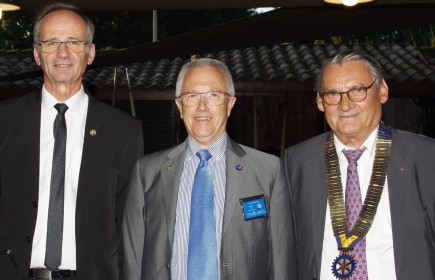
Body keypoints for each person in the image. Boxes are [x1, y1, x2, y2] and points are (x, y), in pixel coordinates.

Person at [0, 3, 143, 280]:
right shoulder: (4, 121)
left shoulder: (124, 131)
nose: (62, 52)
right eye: (51, 42)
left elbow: (131, 225)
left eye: (73, 42)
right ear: (37, 54)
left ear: (90, 53)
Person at [122, 58, 296, 280]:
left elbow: (281, 262)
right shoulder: (146, 172)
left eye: (213, 95)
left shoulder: (268, 171)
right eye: (192, 96)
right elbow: (133, 258)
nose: (202, 107)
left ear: (230, 104)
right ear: (180, 106)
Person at [284, 50, 435, 280]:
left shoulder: (426, 157)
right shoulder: (296, 162)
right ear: (320, 101)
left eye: (357, 90)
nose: (345, 105)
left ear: (382, 90)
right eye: (332, 93)